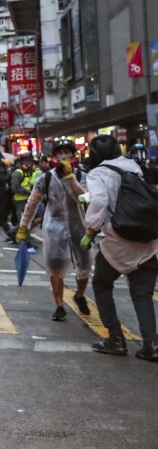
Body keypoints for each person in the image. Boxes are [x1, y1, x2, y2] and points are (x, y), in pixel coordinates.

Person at [78, 135, 158, 361]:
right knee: (142, 295)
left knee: (102, 285)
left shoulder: (97, 174)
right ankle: (151, 345)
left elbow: (101, 202)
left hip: (117, 240)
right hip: (147, 240)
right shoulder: (135, 168)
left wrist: (90, 231)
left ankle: (115, 339)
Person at [16, 138, 91, 322]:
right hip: (54, 229)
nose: (64, 156)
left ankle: (80, 295)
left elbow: (87, 199)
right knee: (55, 267)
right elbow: (32, 203)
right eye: (60, 153)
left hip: (79, 227)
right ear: (54, 156)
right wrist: (23, 226)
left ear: (74, 155)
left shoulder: (83, 176)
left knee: (85, 266)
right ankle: (59, 305)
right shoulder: (46, 178)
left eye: (67, 152)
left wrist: (71, 180)